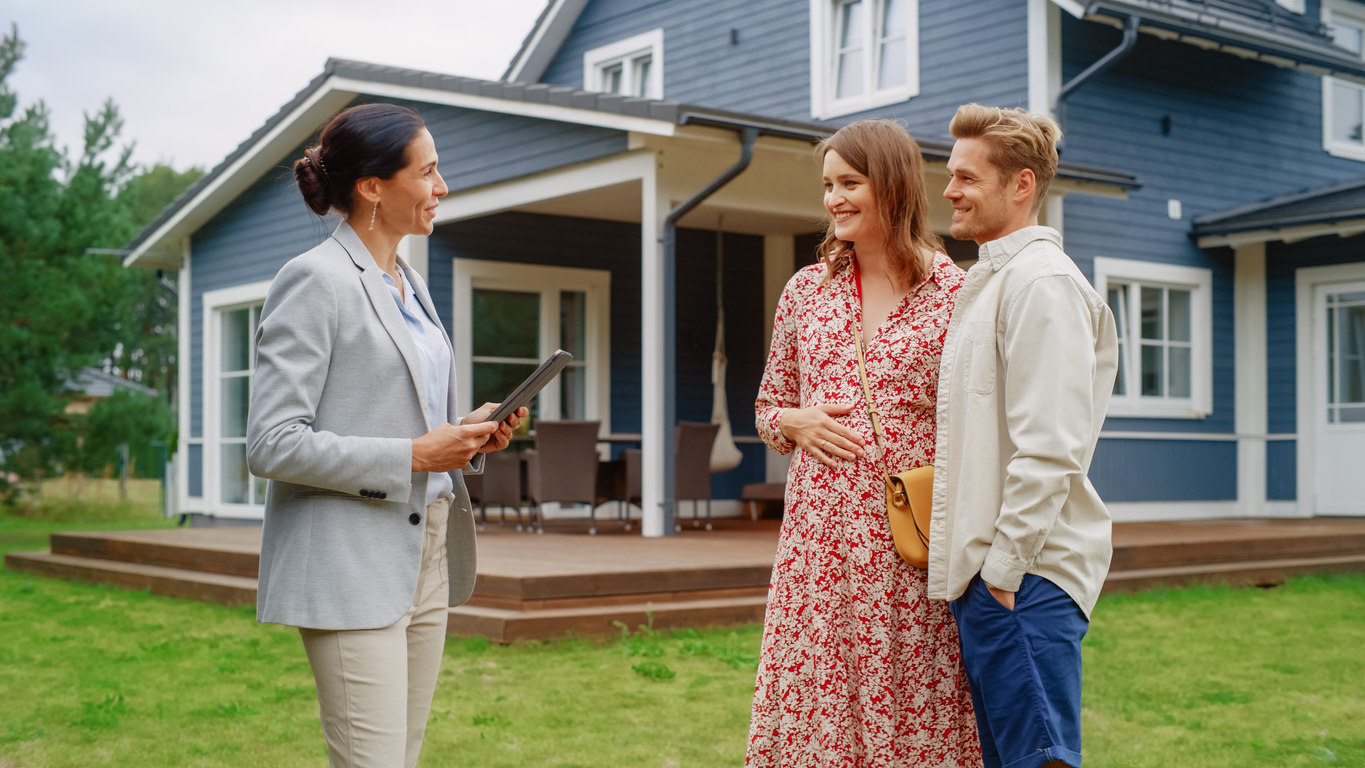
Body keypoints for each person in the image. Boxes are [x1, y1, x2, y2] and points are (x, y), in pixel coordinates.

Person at [246, 102, 527, 768]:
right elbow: (271, 442)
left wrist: (463, 436)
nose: (442, 186)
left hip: (425, 552)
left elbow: (399, 414)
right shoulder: (315, 280)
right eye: (427, 171)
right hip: (347, 563)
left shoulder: (410, 285)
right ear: (373, 185)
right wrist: (413, 455)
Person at [748, 119, 982, 767]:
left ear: (894, 185)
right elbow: (768, 408)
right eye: (828, 186)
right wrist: (791, 423)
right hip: (817, 546)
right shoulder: (805, 291)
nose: (833, 200)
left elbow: (980, 423)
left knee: (914, 696)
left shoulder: (955, 296)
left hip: (909, 544)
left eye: (849, 183)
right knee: (816, 702)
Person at [930, 104, 1119, 768]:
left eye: (966, 177)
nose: (948, 190)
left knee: (1039, 762)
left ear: (1021, 185)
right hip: (998, 580)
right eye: (949, 175)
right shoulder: (994, 281)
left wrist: (1002, 572)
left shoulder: (1040, 285)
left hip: (1023, 578)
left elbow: (1051, 445)